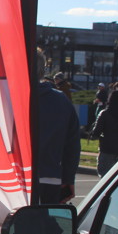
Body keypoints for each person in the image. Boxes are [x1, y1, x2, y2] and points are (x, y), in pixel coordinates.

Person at [36, 50, 81, 204]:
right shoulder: (61, 100)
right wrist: (68, 178)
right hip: (50, 177)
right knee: (46, 217)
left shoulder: (5, 98)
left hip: (11, 178)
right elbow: (72, 145)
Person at [92, 89, 118, 177]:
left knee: (104, 175)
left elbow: (96, 132)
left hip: (106, 149)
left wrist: (93, 135)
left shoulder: (104, 113)